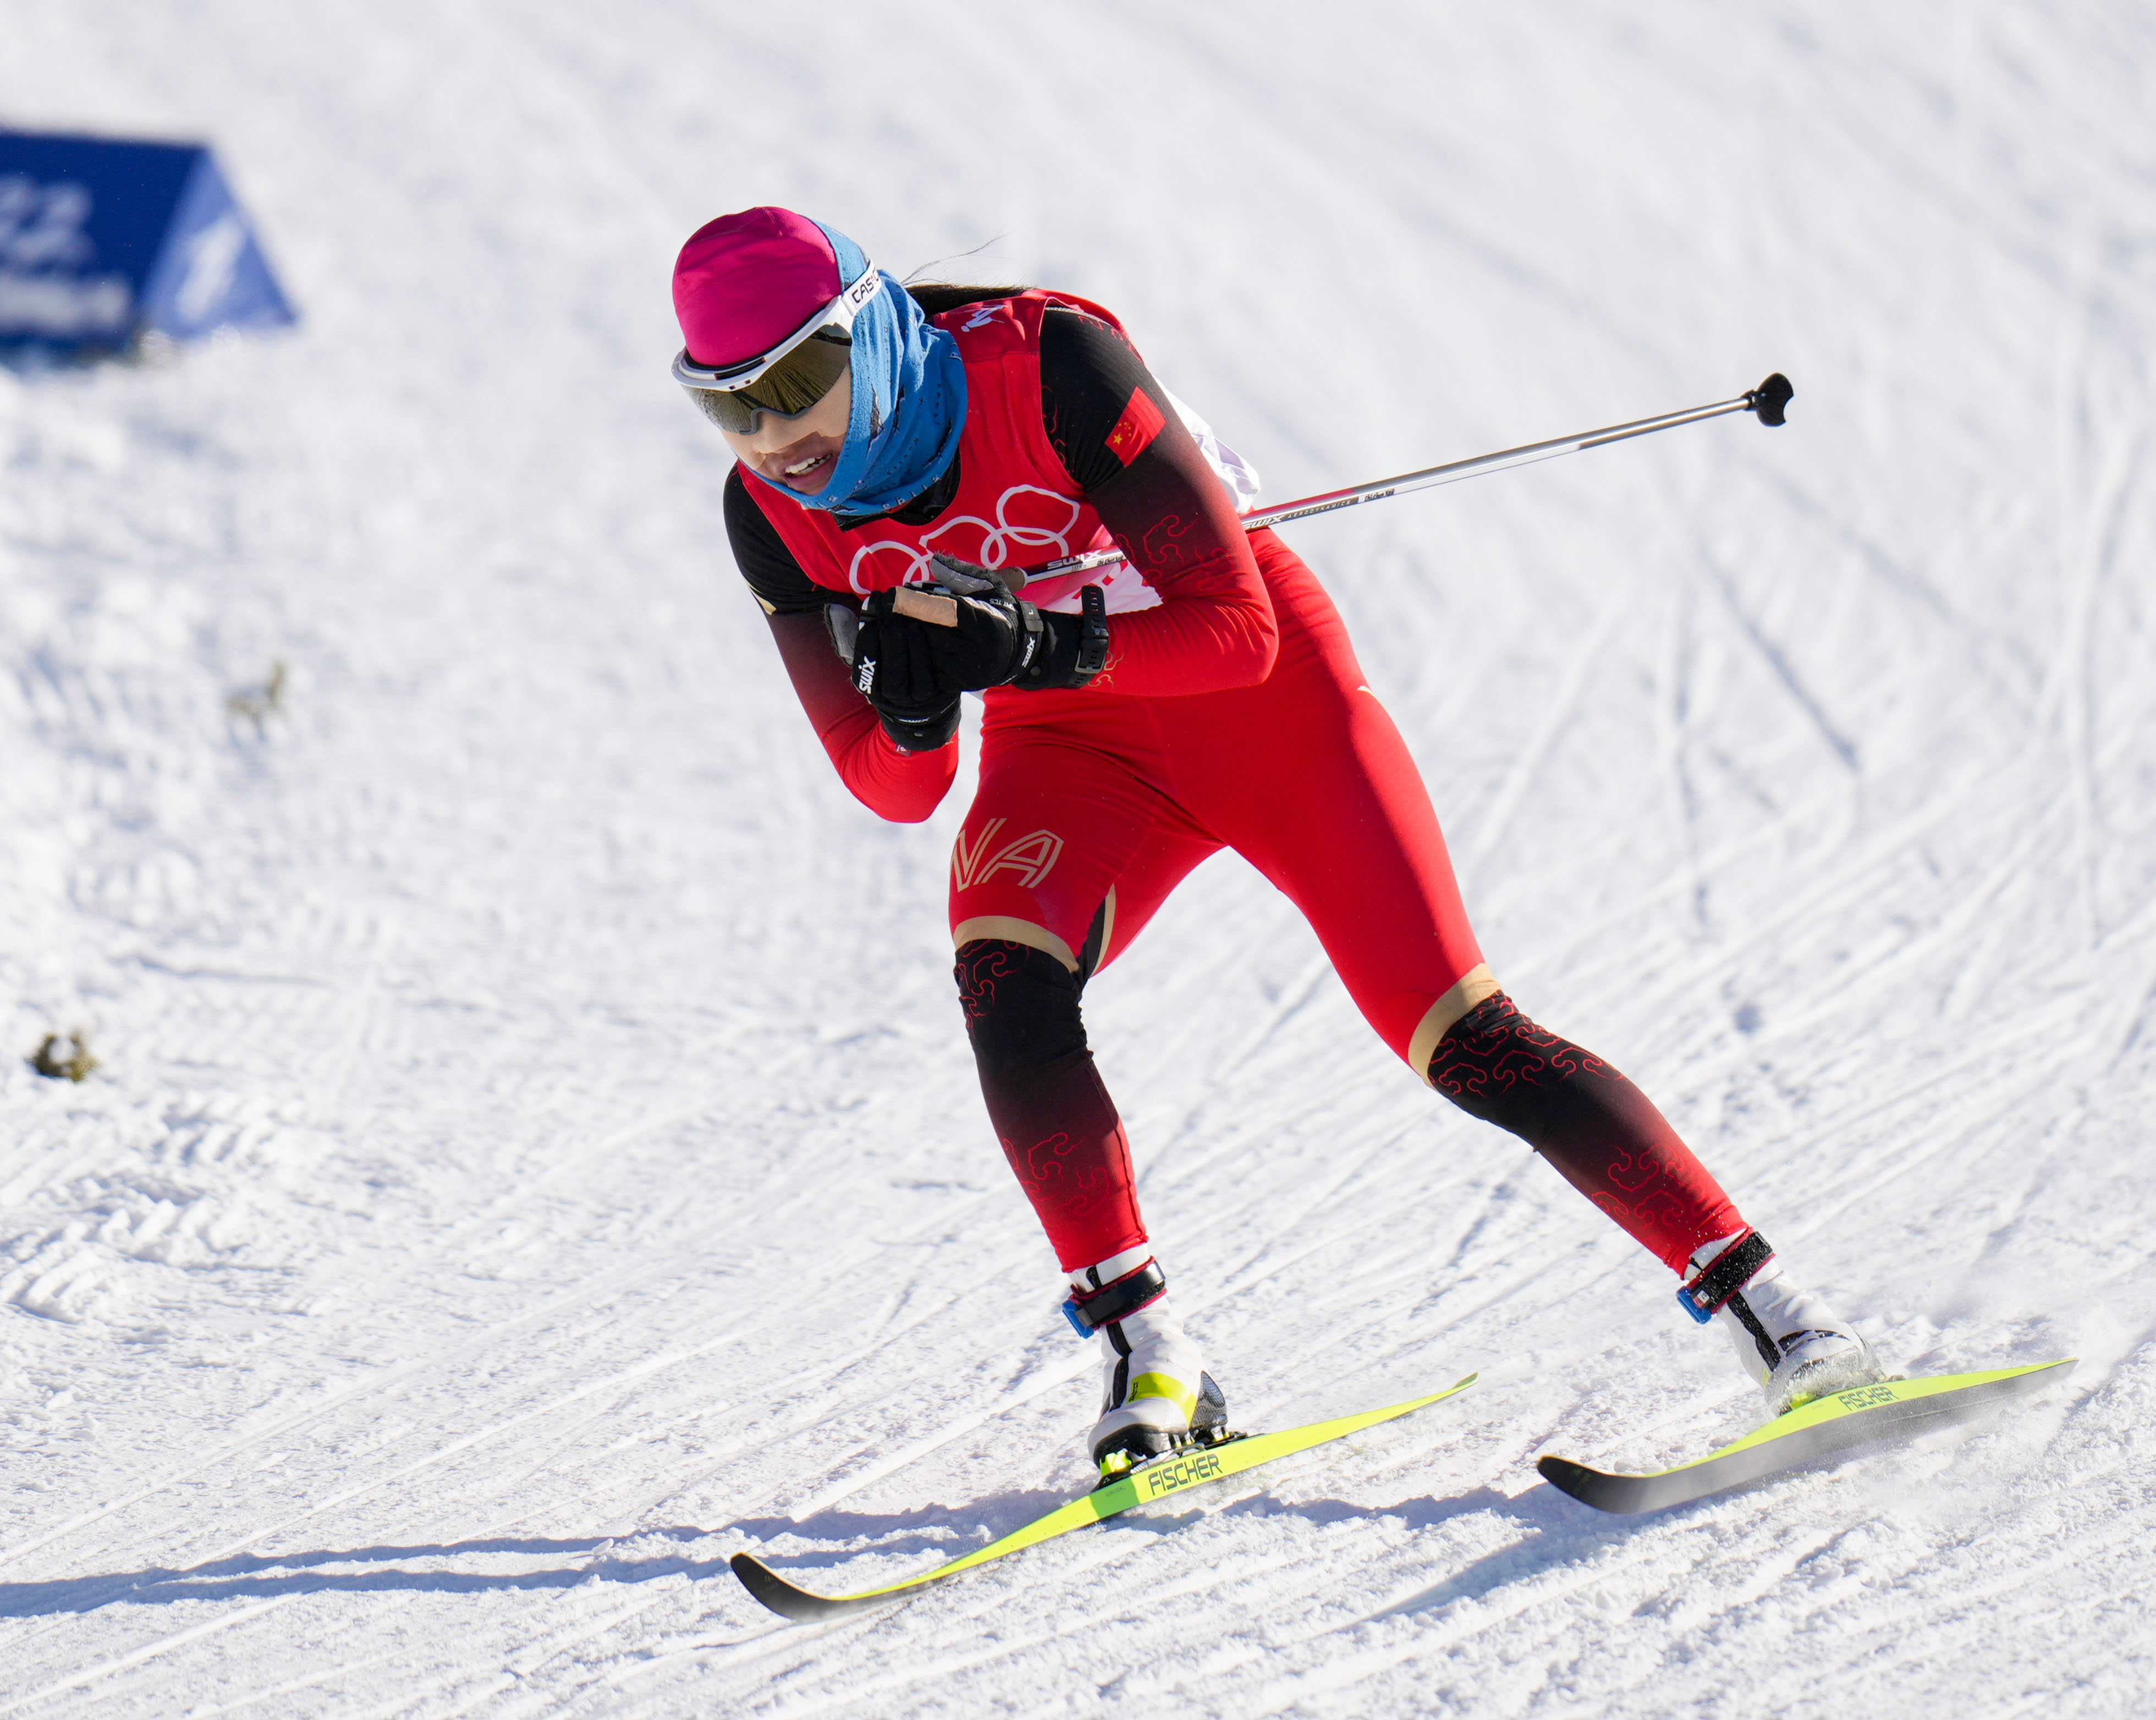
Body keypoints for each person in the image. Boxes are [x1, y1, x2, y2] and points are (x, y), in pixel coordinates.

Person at [669, 207, 1879, 1477]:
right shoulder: (772, 515)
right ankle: (1151, 1357)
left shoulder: (1052, 368)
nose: (773, 436)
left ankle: (1786, 1325)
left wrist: (1032, 643)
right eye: (727, 408)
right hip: (1073, 751)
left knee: (1461, 1036)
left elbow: (1233, 632)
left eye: (797, 382)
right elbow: (897, 790)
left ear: (875, 333)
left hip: (1262, 704)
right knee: (1003, 990)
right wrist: (916, 709)